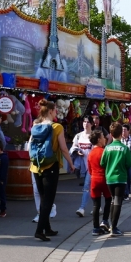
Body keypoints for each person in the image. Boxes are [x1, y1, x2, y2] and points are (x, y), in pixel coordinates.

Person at [28, 101, 74, 242]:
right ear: (50, 111)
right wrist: (71, 163)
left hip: (36, 166)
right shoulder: (57, 127)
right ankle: (39, 231)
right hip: (50, 165)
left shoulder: (35, 126)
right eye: (55, 111)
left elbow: (29, 146)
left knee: (43, 198)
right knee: (48, 200)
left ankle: (47, 228)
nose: (56, 113)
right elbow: (63, 148)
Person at [101, 122, 131, 237]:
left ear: (111, 134)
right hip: (121, 178)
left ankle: (110, 224)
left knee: (112, 200)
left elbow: (102, 163)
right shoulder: (125, 148)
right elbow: (129, 164)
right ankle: (114, 228)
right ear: (121, 134)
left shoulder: (107, 148)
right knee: (118, 201)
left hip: (109, 178)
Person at [87, 130, 111, 235]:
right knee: (108, 199)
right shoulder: (104, 151)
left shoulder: (90, 153)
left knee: (96, 205)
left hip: (94, 179)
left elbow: (89, 169)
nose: (104, 139)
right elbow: (108, 166)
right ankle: (105, 221)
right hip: (104, 179)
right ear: (98, 140)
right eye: (102, 137)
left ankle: (95, 228)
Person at [71, 117, 95, 217]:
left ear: (92, 124)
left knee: (86, 186)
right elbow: (73, 147)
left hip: (92, 166)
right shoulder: (78, 136)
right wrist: (77, 151)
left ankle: (82, 208)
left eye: (88, 122)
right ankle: (97, 206)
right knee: (91, 188)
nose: (86, 124)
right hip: (82, 165)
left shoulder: (94, 136)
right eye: (84, 122)